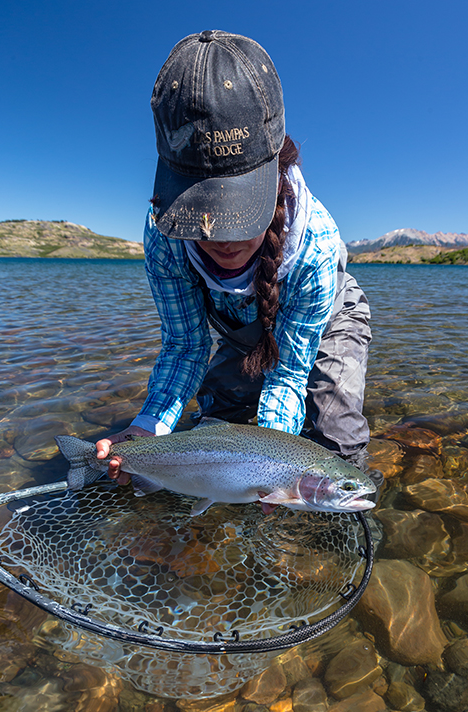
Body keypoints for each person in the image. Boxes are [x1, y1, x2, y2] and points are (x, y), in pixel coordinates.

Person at [96, 30, 373, 495]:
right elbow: (185, 345)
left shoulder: (317, 244)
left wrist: (279, 461)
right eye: (198, 214)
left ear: (276, 175)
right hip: (241, 323)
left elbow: (287, 372)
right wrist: (149, 426)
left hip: (325, 318)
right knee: (217, 426)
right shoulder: (165, 233)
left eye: (235, 212)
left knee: (336, 442)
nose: (218, 236)